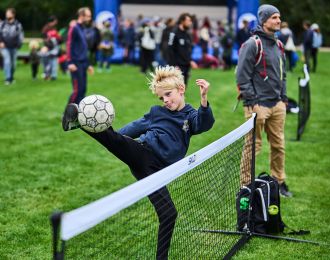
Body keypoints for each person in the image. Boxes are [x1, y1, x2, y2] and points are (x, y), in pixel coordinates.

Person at [62, 66, 215, 260]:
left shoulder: (190, 116)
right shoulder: (156, 113)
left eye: (168, 95)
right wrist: (112, 133)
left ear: (181, 89)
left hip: (158, 172)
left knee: (169, 214)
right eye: (162, 98)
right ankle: (80, 118)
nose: (166, 101)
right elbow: (130, 130)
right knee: (116, 141)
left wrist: (204, 99)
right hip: (143, 153)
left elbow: (204, 123)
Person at [236, 4, 292, 197]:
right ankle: (246, 186)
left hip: (276, 104)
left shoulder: (279, 45)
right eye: (274, 17)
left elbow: (283, 74)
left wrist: (283, 98)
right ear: (264, 20)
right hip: (257, 105)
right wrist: (252, 100)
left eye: (279, 17)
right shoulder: (253, 44)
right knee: (253, 146)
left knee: (279, 145)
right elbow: (241, 75)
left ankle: (279, 183)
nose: (278, 21)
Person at [66, 7, 94, 105]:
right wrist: (70, 62)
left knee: (83, 90)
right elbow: (69, 45)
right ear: (81, 16)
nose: (90, 18)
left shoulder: (82, 28)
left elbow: (83, 49)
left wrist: (88, 64)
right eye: (88, 16)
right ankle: (66, 116)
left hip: (83, 64)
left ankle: (78, 116)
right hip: (75, 64)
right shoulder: (74, 28)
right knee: (77, 91)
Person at [166, 13, 196, 86]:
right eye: (188, 20)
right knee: (175, 89)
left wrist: (190, 61)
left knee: (183, 88)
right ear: (182, 21)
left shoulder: (187, 34)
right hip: (177, 66)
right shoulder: (174, 33)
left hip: (186, 66)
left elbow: (188, 50)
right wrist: (174, 65)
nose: (190, 23)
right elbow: (170, 50)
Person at [0, 8, 24, 85]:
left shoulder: (18, 25)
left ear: (13, 14)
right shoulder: (2, 24)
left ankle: (11, 77)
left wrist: (19, 44)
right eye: (6, 13)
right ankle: (8, 78)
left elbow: (21, 35)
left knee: (13, 64)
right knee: (7, 61)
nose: (7, 15)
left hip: (14, 47)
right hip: (4, 47)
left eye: (8, 13)